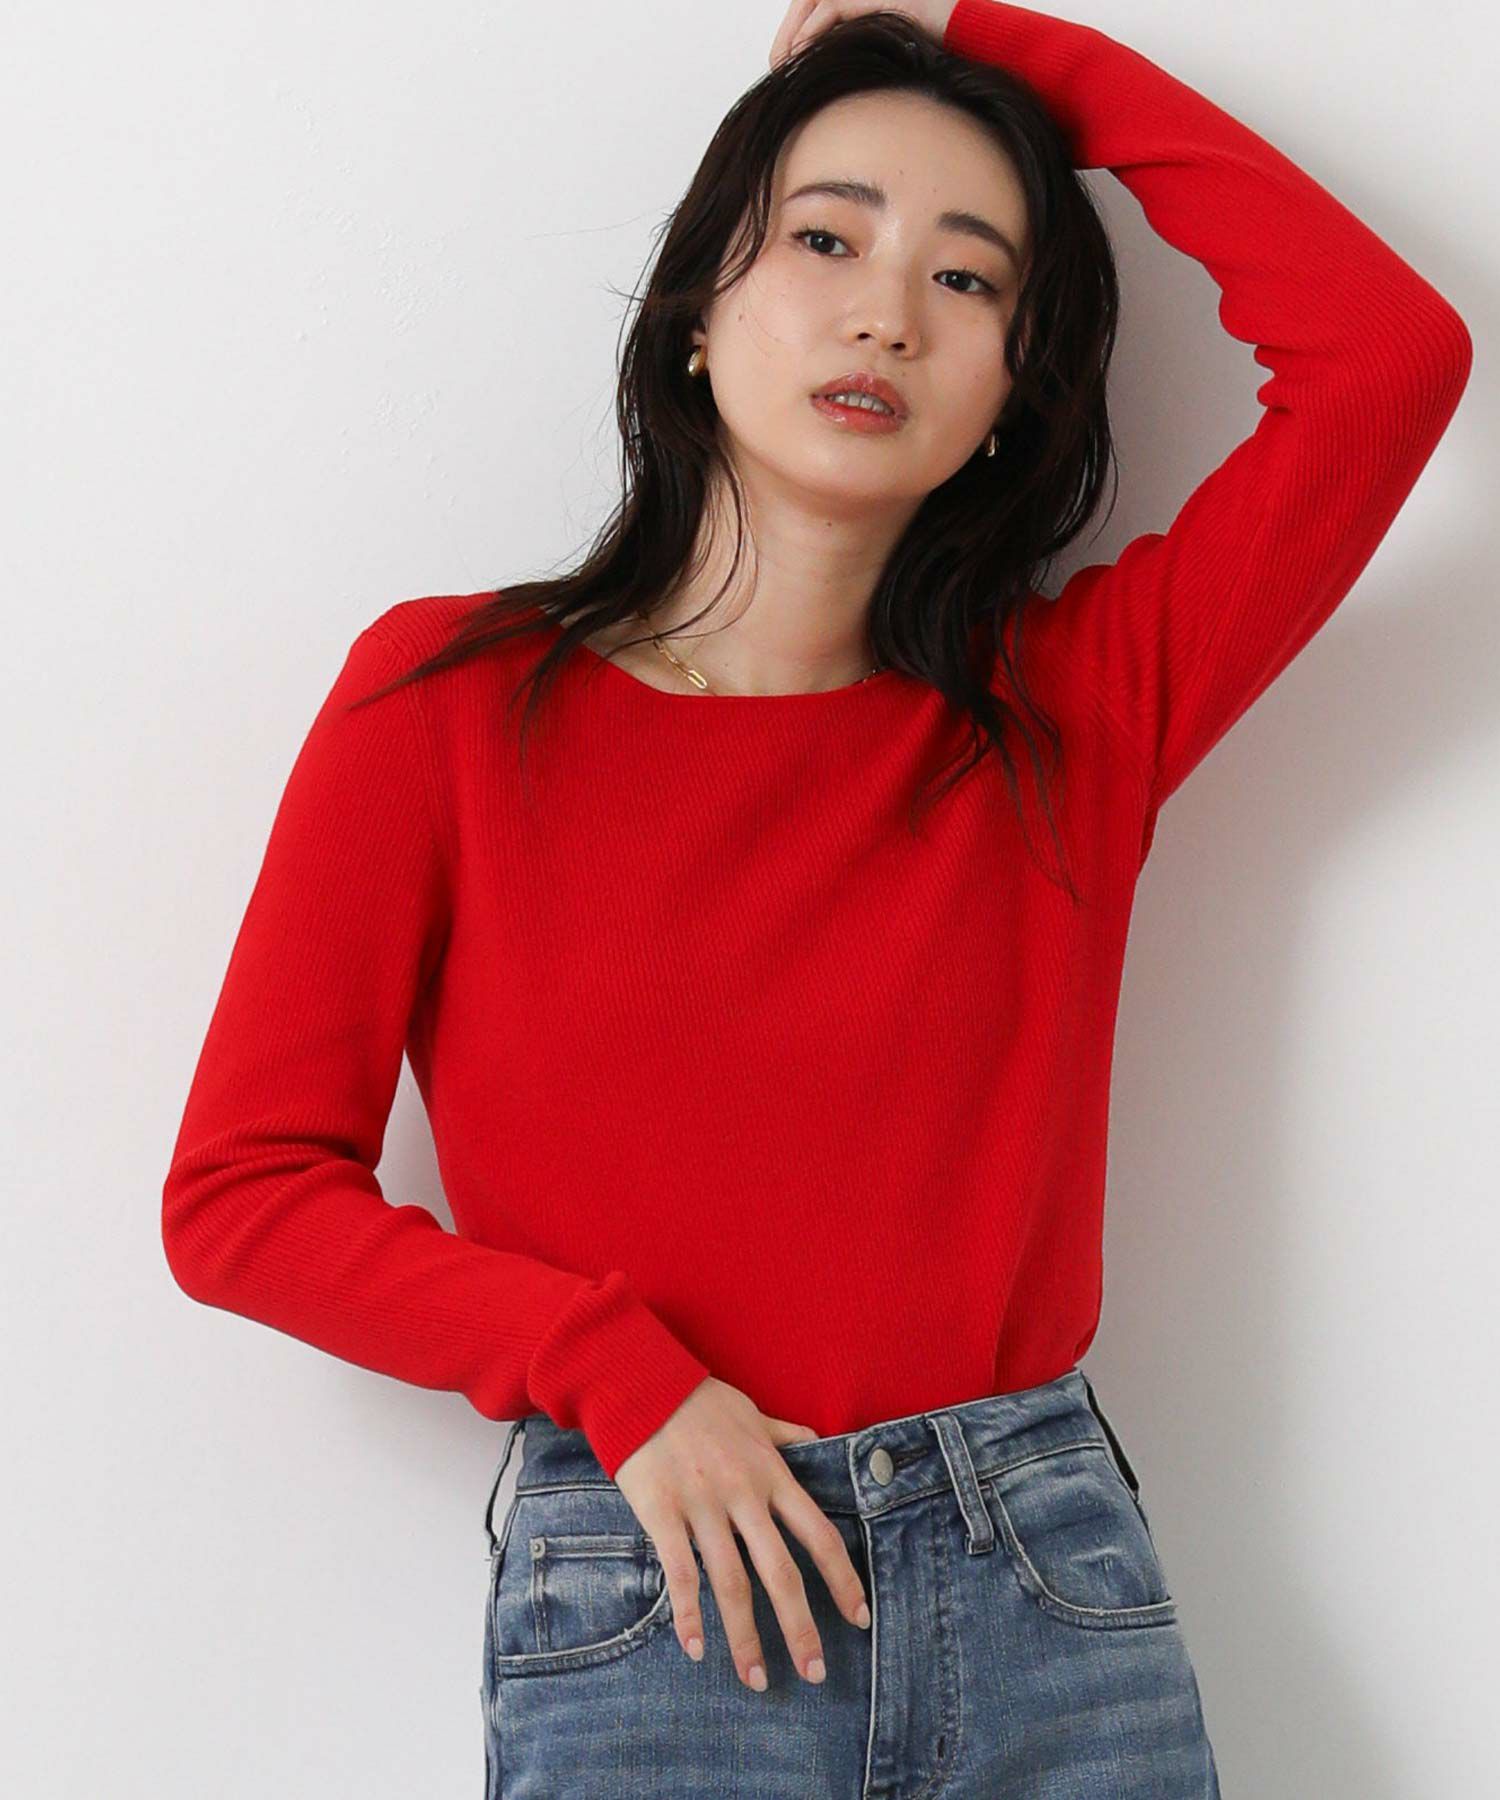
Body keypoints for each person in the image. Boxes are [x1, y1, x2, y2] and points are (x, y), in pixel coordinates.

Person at [160, 3, 1471, 1793]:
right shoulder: (450, 702)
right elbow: (241, 1194)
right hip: (661, 1587)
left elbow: (1390, 356)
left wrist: (971, 33)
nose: (888, 314)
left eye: (969, 278)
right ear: (699, 309)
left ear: (1014, 395)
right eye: (828, 239)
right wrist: (605, 1367)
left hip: (1044, 1590)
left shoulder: (1073, 713)